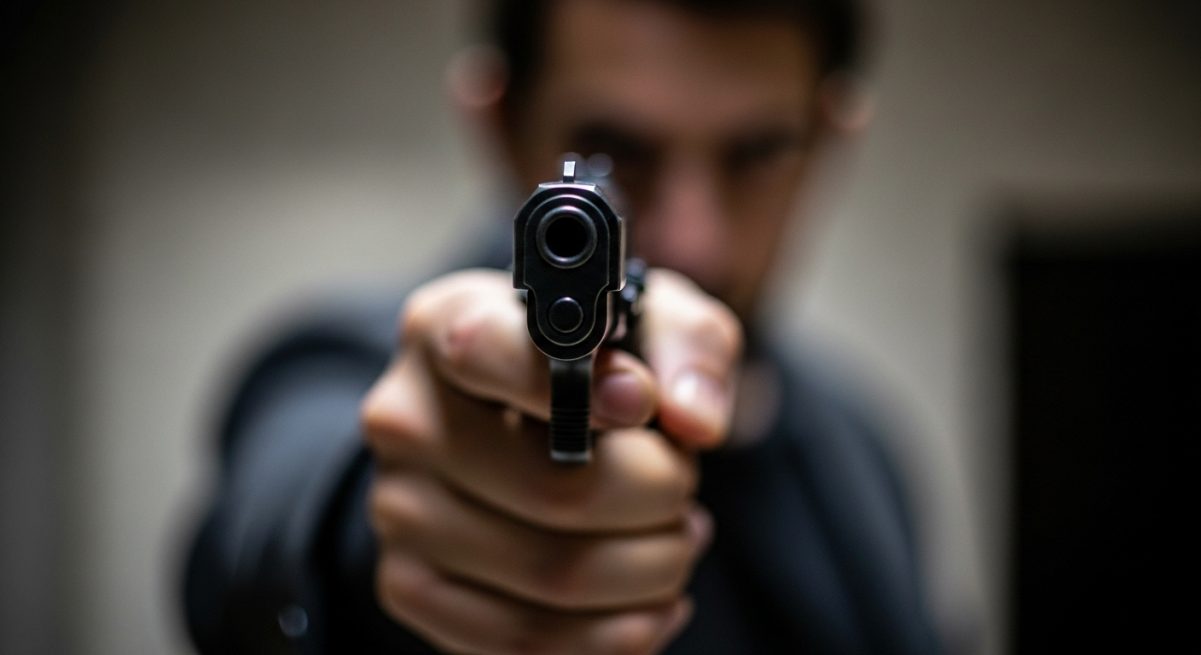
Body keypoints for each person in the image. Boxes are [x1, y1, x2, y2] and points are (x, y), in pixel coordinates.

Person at [183, 0, 948, 653]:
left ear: (830, 137)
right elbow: (272, 517)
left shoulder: (859, 440)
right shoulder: (350, 366)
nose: (692, 239)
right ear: (500, 126)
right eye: (618, 152)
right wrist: (366, 527)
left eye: (755, 153)